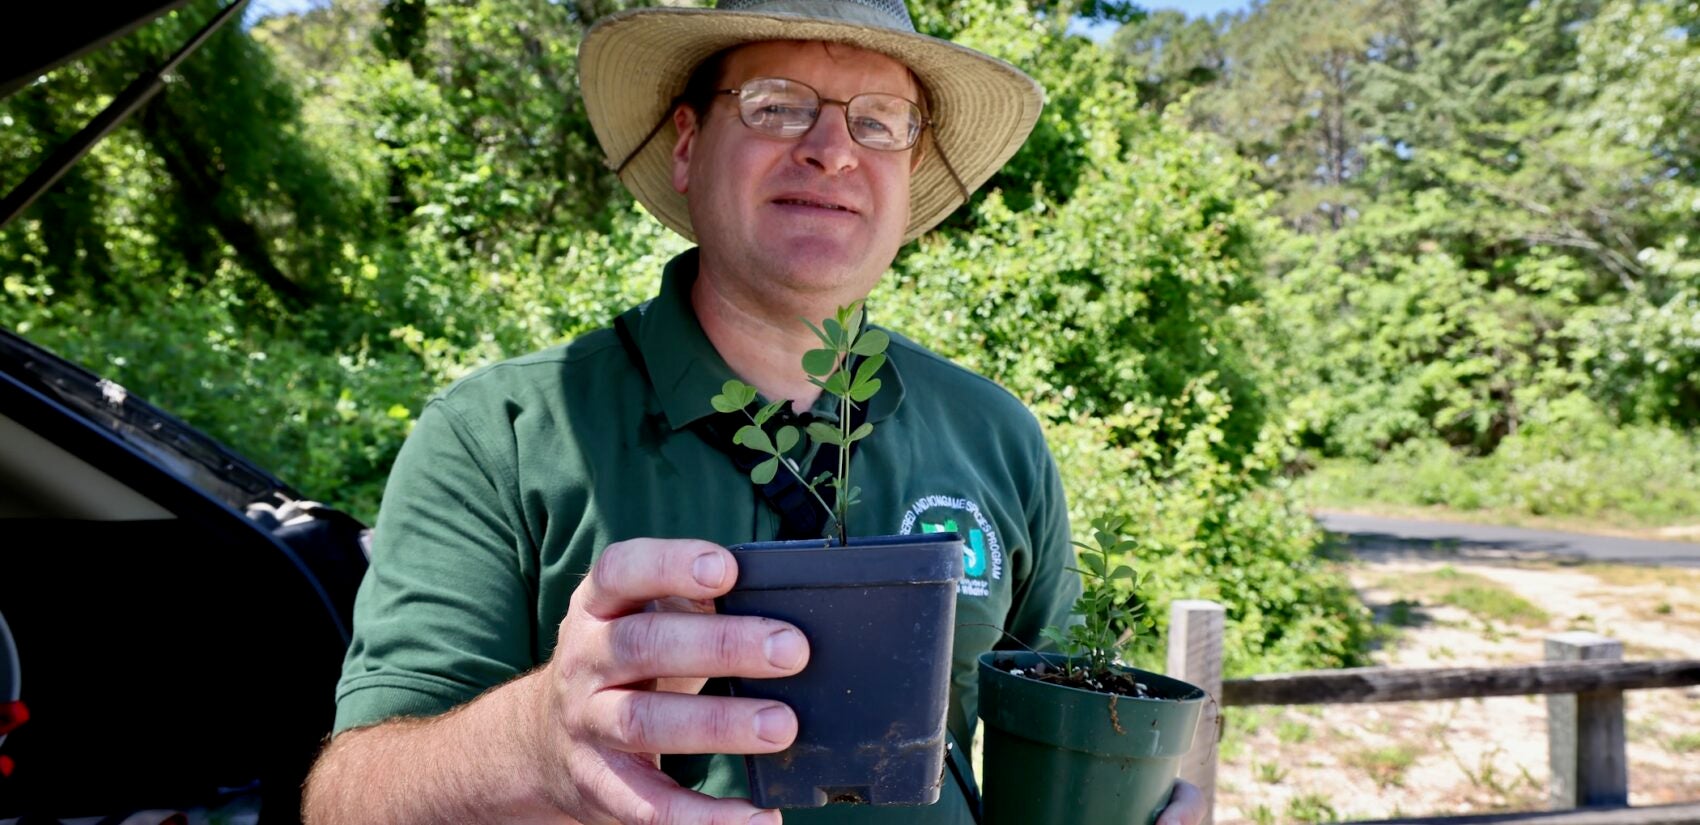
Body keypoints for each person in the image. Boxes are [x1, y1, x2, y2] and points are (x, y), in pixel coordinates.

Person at [302, 1, 1207, 823]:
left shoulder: (995, 435)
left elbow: (1061, 733)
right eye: (777, 104)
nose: (832, 149)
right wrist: (534, 739)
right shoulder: (497, 433)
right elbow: (347, 797)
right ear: (688, 144)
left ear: (910, 165)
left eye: (879, 121)